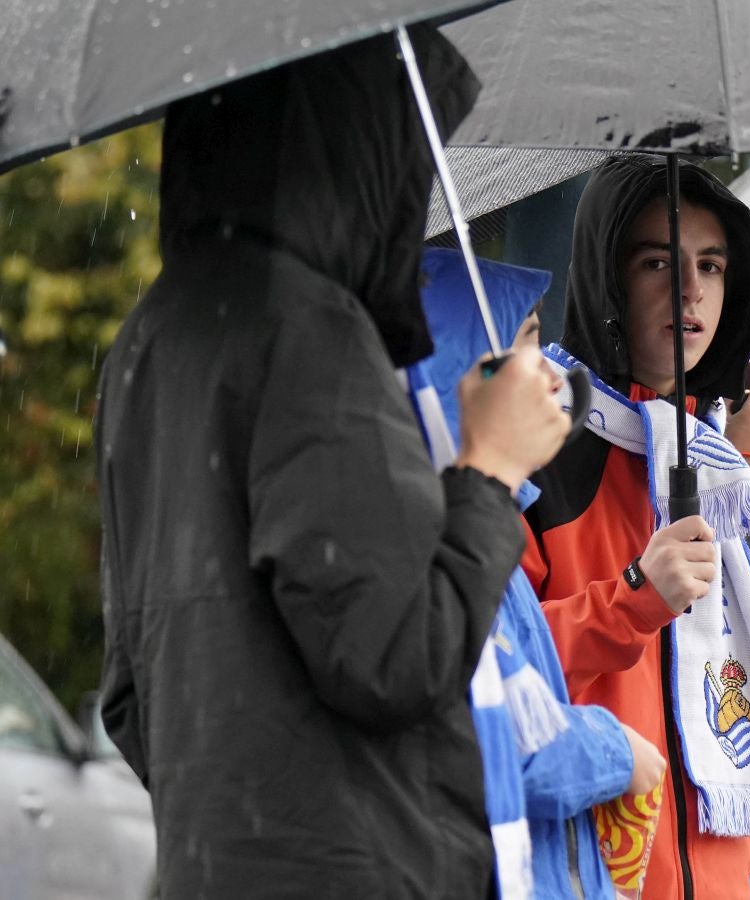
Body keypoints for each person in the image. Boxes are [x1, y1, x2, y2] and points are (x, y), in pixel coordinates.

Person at [95, 30, 571, 898]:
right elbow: (395, 655)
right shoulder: (308, 334)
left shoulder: (149, 337)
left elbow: (133, 698)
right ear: (355, 140)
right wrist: (490, 470)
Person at [521, 155, 750, 900]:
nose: (691, 290)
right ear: (607, 281)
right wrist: (633, 598)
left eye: (712, 266)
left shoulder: (732, 479)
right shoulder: (541, 459)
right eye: (658, 262)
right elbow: (501, 678)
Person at [411, 249, 669, 898]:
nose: (551, 376)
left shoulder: (479, 515)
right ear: (472, 365)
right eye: (528, 342)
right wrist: (618, 750)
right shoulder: (447, 528)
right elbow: (496, 731)